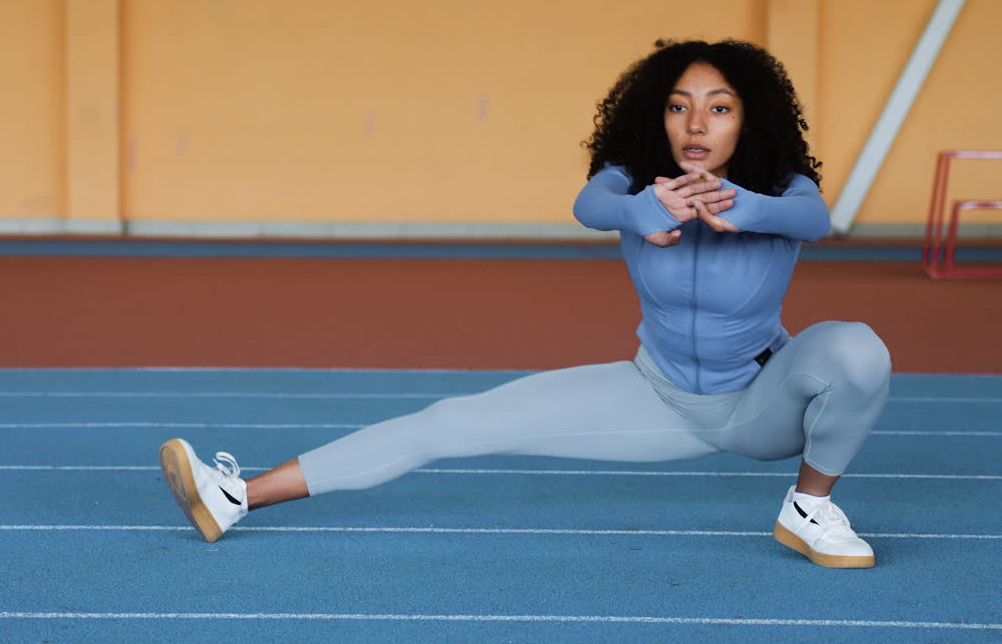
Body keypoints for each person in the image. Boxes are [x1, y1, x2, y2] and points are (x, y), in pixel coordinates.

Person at [158, 39, 891, 568]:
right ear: (657, 117)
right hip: (657, 397)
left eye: (719, 108)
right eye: (679, 107)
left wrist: (746, 209)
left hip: (763, 401)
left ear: (748, 120)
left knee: (856, 349)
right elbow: (588, 203)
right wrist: (639, 212)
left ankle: (809, 508)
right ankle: (237, 498)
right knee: (448, 423)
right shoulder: (632, 181)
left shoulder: (781, 189)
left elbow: (814, 220)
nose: (696, 125)